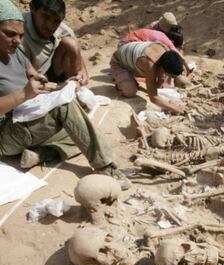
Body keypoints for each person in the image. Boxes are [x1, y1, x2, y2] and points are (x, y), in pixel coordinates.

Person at [0, 0, 130, 190]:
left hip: (25, 119)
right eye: (9, 34)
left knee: (80, 129)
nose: (17, 40)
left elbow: (32, 72)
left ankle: (43, 154)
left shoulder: (13, 51)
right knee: (67, 111)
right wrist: (24, 94)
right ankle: (105, 166)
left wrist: (49, 84)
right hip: (5, 134)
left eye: (20, 35)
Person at [18, 0, 88, 85]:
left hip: (53, 72)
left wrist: (82, 72)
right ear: (32, 8)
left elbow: (77, 56)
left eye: (56, 21)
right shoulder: (16, 31)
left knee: (71, 44)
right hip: (28, 78)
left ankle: (74, 85)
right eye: (46, 17)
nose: (50, 26)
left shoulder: (63, 30)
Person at [110, 41, 185, 113]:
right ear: (162, 68)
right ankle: (121, 82)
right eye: (171, 75)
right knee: (130, 92)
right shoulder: (150, 65)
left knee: (162, 81)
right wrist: (175, 109)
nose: (171, 78)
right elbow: (153, 98)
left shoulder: (167, 53)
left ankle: (131, 80)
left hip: (133, 58)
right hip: (118, 62)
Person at [118, 27, 192, 74]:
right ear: (172, 42)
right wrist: (188, 68)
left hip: (125, 45)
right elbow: (178, 55)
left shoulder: (161, 35)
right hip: (124, 46)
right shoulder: (165, 40)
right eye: (177, 47)